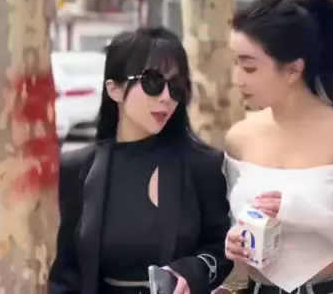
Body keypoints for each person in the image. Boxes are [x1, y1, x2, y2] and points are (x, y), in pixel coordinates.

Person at [222, 0, 333, 294]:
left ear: (293, 70)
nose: (238, 79)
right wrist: (232, 242)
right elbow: (233, 228)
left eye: (249, 68)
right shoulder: (239, 138)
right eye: (235, 63)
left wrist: (310, 216)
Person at [49, 27, 233, 294]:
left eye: (176, 87)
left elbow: (221, 249)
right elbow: (66, 272)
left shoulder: (203, 165)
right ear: (114, 90)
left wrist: (192, 271)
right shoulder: (77, 169)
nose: (166, 97)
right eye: (153, 82)